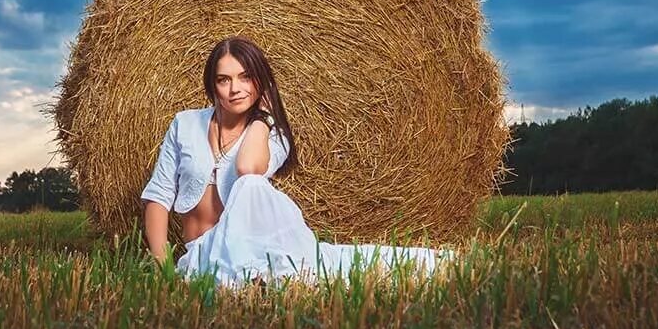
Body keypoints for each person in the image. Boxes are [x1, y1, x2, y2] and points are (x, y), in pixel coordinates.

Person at [141, 36, 453, 288]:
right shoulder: (184, 124)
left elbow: (248, 169)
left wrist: (263, 117)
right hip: (201, 254)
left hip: (250, 250)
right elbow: (158, 195)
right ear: (212, 85)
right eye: (224, 80)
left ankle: (260, 273)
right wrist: (161, 266)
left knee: (251, 185)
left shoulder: (273, 135)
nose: (235, 89)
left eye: (246, 78)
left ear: (261, 83)